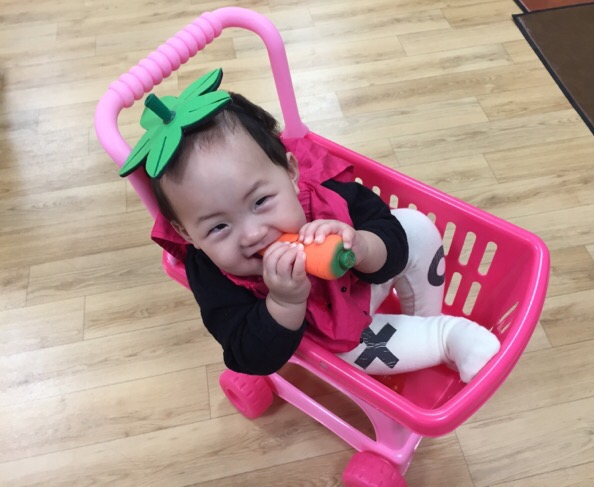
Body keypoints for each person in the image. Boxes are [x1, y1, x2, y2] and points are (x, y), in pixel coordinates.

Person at [130, 78, 500, 381]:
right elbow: (248, 355)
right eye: (219, 226)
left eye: (260, 201)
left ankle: (425, 319)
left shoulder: (329, 195)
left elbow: (391, 239)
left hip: (364, 281)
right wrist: (284, 302)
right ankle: (446, 337)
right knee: (351, 352)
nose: (253, 234)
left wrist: (362, 248)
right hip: (335, 332)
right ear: (186, 234)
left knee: (413, 225)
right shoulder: (211, 273)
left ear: (291, 173)